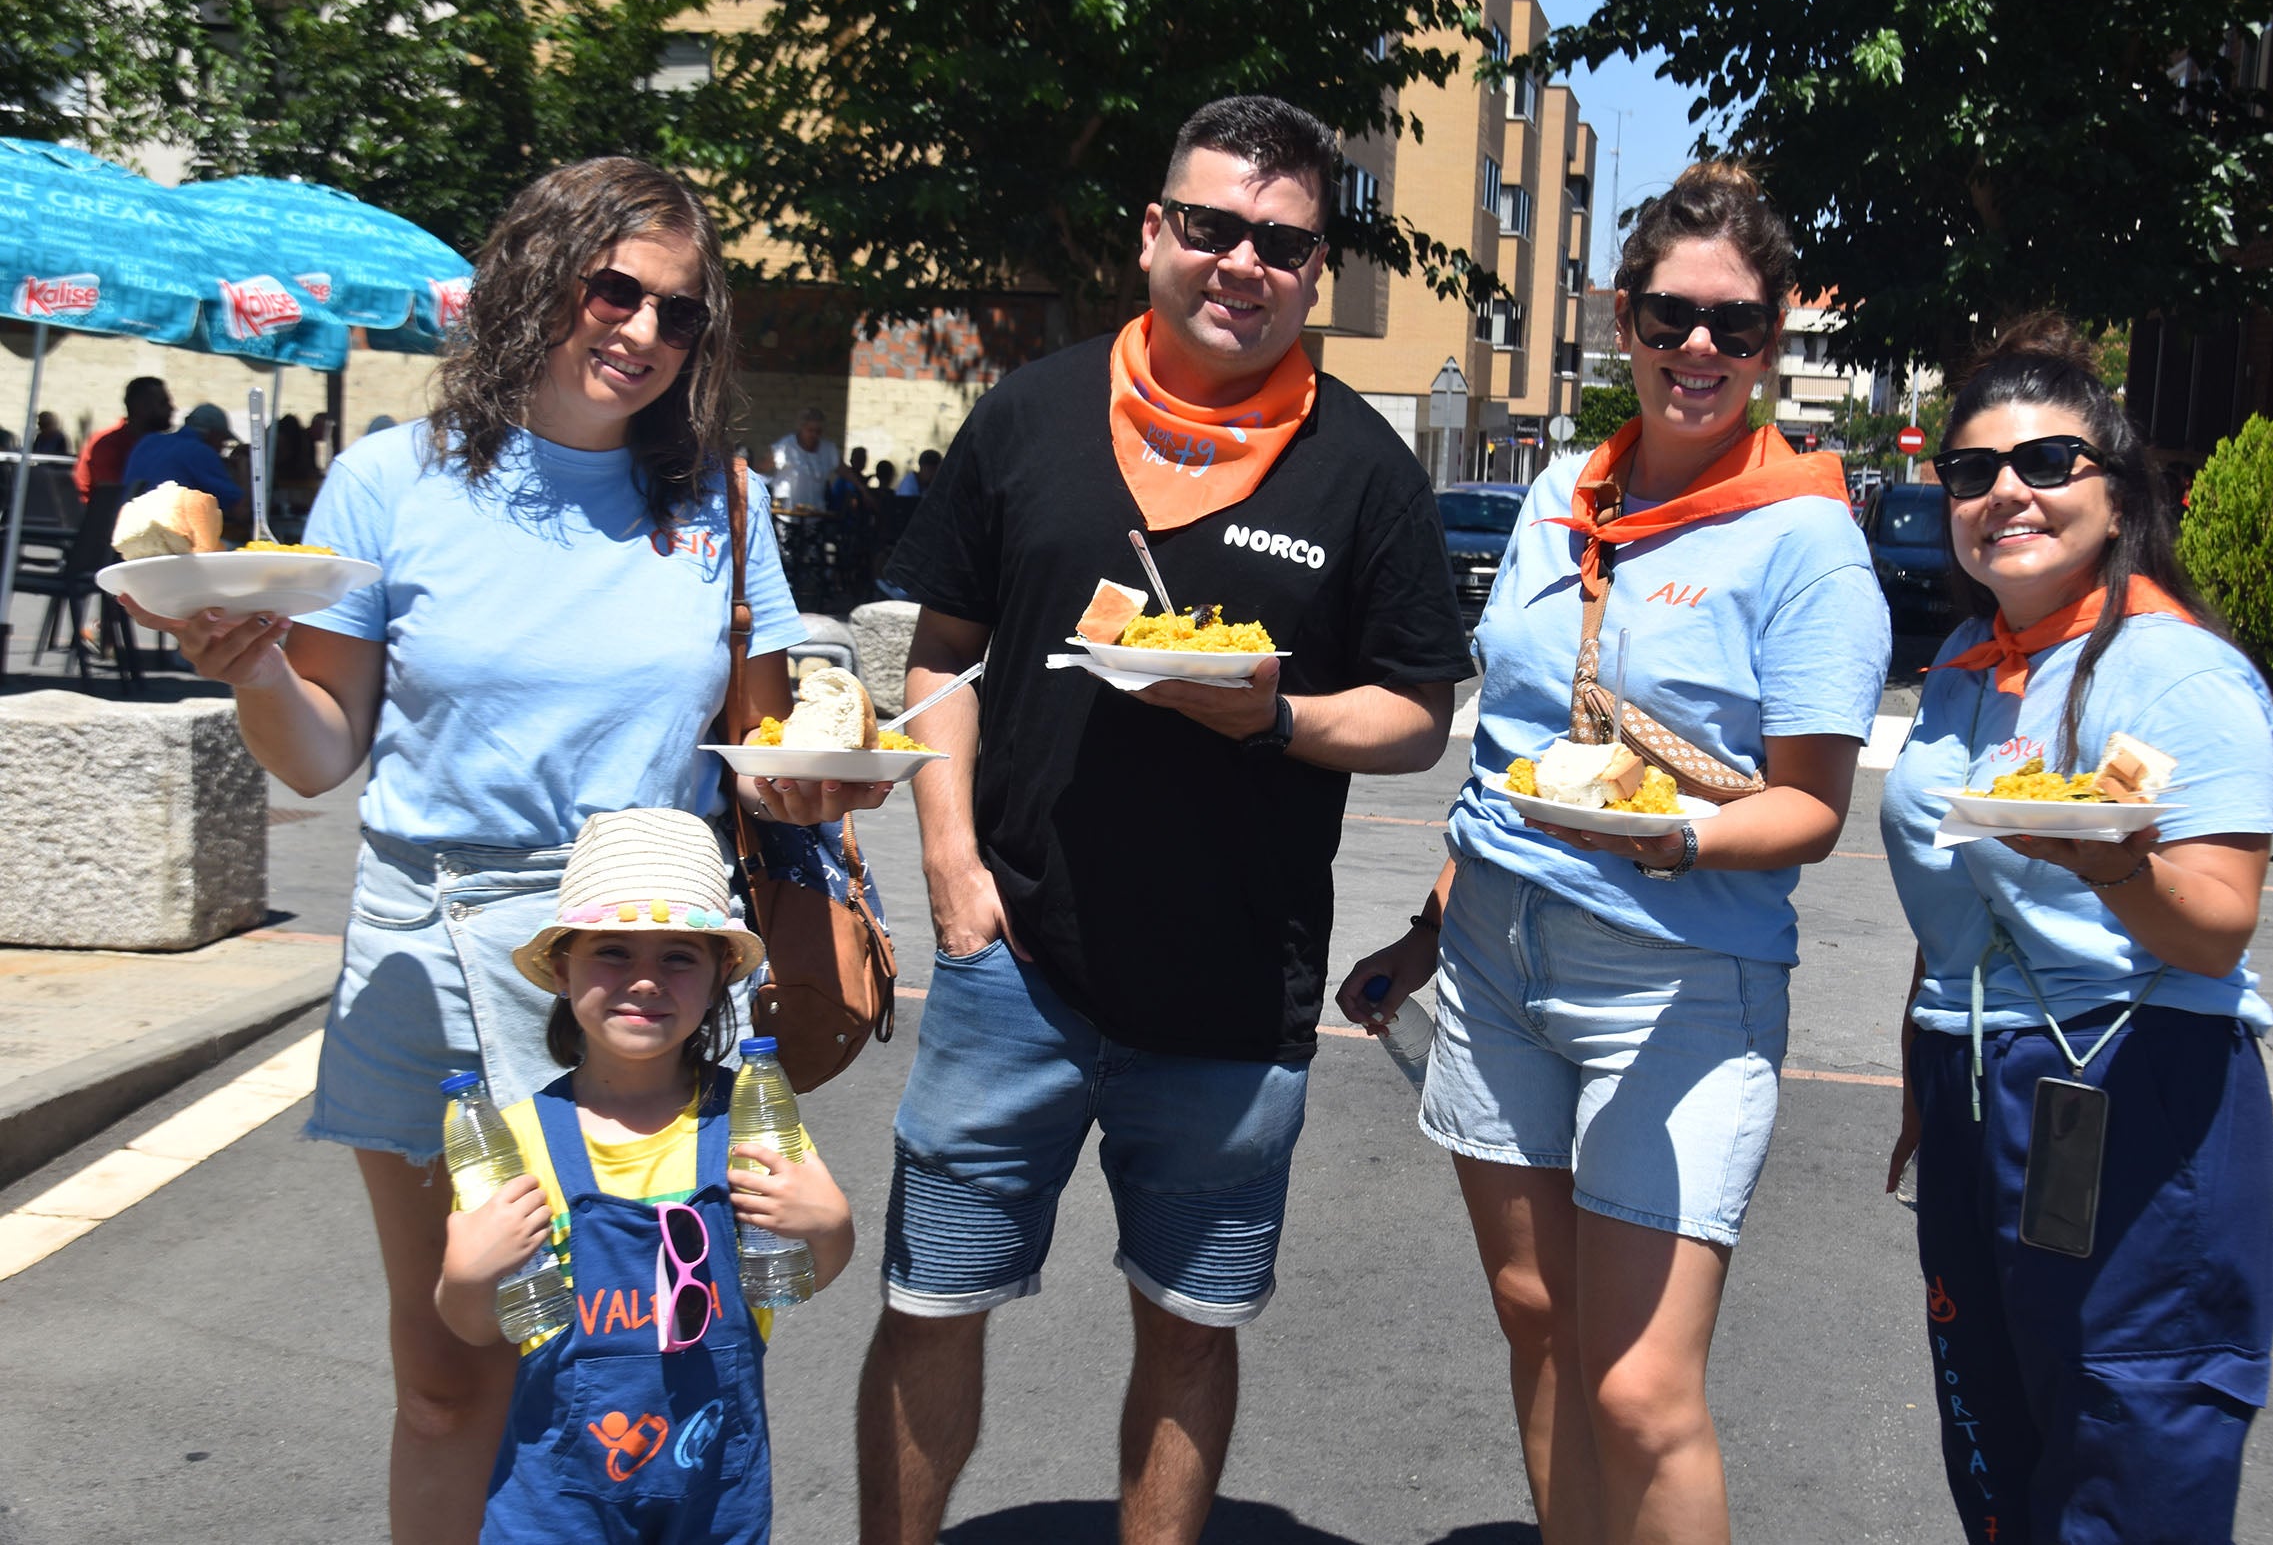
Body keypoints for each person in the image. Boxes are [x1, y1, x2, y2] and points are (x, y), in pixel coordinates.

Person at [119, 155, 891, 1545]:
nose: (644, 332)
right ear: (539, 276)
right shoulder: (387, 482)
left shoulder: (716, 504)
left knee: (654, 1354)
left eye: (681, 312)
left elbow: (769, 749)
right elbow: (319, 749)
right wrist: (246, 668)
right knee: (449, 1368)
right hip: (431, 949)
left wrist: (822, 783)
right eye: (616, 290)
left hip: (643, 960)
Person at [861, 94, 1474, 1545]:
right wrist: (947, 856)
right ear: (1154, 232)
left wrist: (1278, 716)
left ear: (1315, 267)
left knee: (1191, 1321)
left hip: (1228, 979)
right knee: (931, 1298)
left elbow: (1417, 713)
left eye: (1280, 239)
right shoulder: (1030, 413)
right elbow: (937, 652)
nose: (1240, 262)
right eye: (1210, 226)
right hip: (1013, 950)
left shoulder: (1362, 469)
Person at [1335, 160, 1888, 1541]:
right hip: (1496, 956)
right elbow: (1513, 746)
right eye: (1668, 315)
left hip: (1678, 980)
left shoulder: (1807, 540)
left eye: (1737, 326)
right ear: (1622, 321)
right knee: (1539, 1324)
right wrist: (1425, 924)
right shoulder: (1557, 497)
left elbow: (1812, 806)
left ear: (1767, 344)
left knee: (1640, 1386)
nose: (1697, 348)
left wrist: (1679, 834)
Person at [1879, 315, 2273, 1544]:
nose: (2007, 492)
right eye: (1971, 470)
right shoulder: (1962, 660)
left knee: (2127, 1439)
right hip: (1974, 1076)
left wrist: (2108, 867)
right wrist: (1922, 1074)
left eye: (2048, 463)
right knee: (1995, 1435)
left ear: (2119, 492)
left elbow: (2214, 930)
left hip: (2132, 1075)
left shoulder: (2176, 668)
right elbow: (1952, 906)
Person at [440, 808, 854, 1544]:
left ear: (719, 976)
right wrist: (468, 1276)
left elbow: (805, 1274)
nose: (643, 982)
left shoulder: (750, 1123)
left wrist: (829, 1227)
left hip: (716, 1492)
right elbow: (476, 1326)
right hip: (555, 1506)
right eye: (612, 953)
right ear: (562, 970)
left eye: (677, 958)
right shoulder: (518, 1138)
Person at [123, 403, 245, 521]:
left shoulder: (148, 441)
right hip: (166, 531)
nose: (221, 449)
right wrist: (243, 468)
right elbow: (240, 509)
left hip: (129, 527)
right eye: (223, 442)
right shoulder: (200, 451)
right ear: (213, 434)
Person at [74, 376, 173, 498]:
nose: (171, 408)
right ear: (141, 407)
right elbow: (113, 496)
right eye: (163, 403)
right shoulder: (108, 445)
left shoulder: (158, 445)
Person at [762, 405, 838, 512]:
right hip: (786, 512)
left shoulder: (827, 449)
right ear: (801, 428)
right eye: (810, 430)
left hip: (815, 512)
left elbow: (842, 469)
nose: (814, 435)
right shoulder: (785, 446)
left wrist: (862, 490)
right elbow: (762, 468)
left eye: (818, 431)